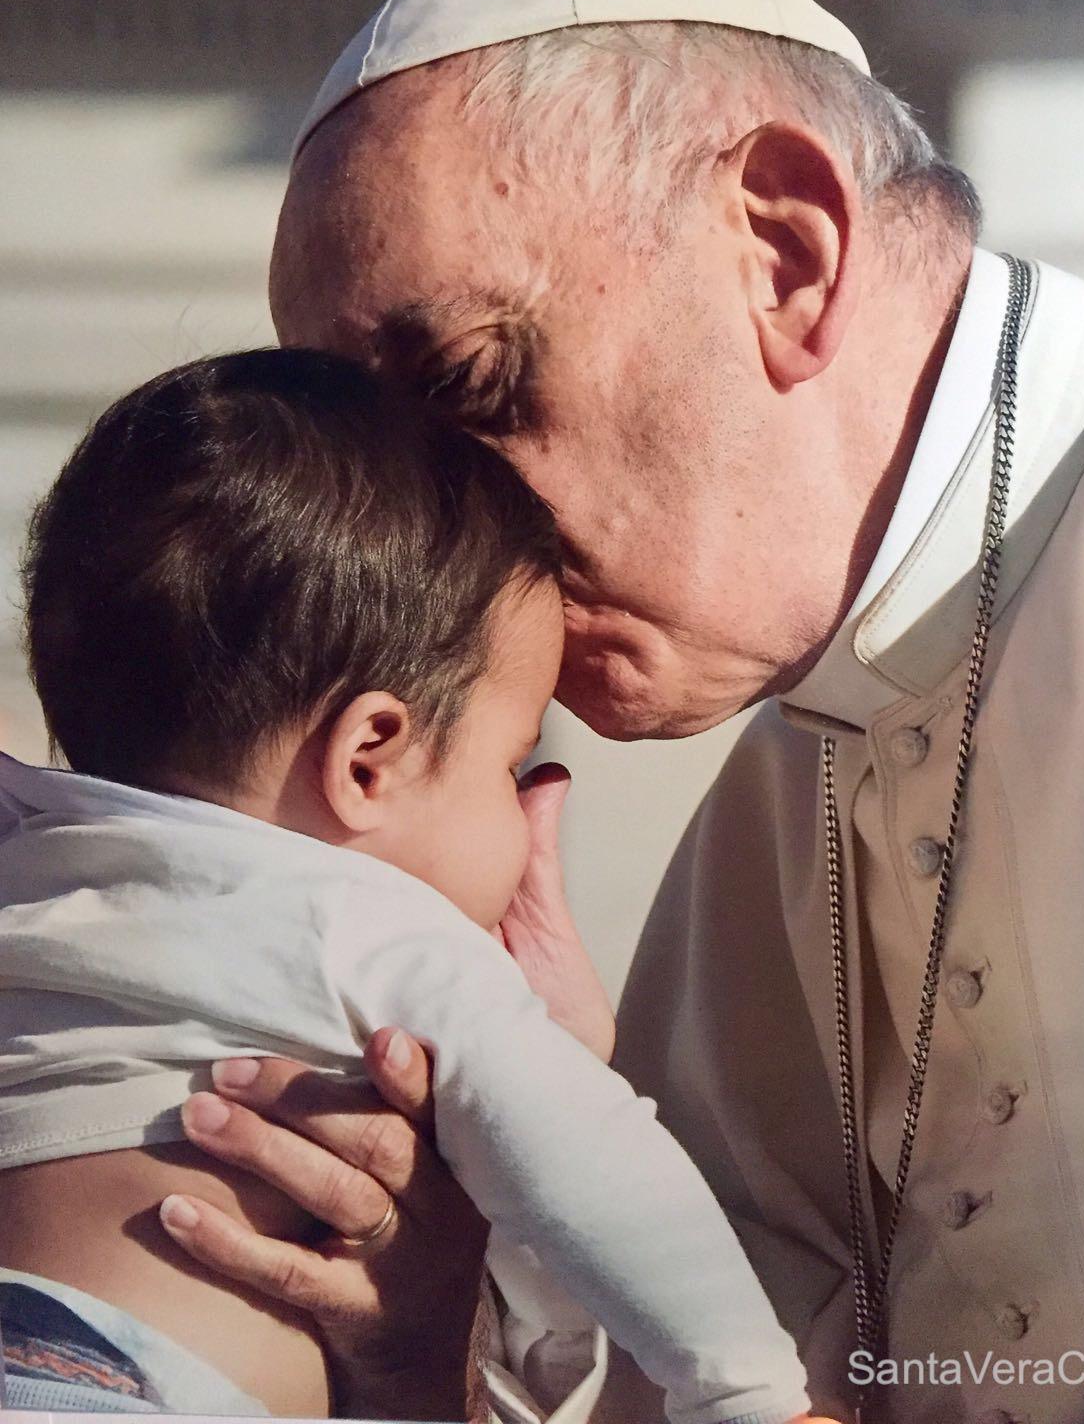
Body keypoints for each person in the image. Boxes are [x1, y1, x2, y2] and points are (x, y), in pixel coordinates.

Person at [143, 0, 1084, 1424]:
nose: (429, 547)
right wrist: (494, 1265)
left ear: (786, 253)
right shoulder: (769, 828)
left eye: (472, 396)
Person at [0, 347, 822, 1424]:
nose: (519, 804)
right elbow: (598, 1162)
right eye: (510, 761)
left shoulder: (39, 873)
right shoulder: (371, 928)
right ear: (370, 758)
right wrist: (752, 1390)